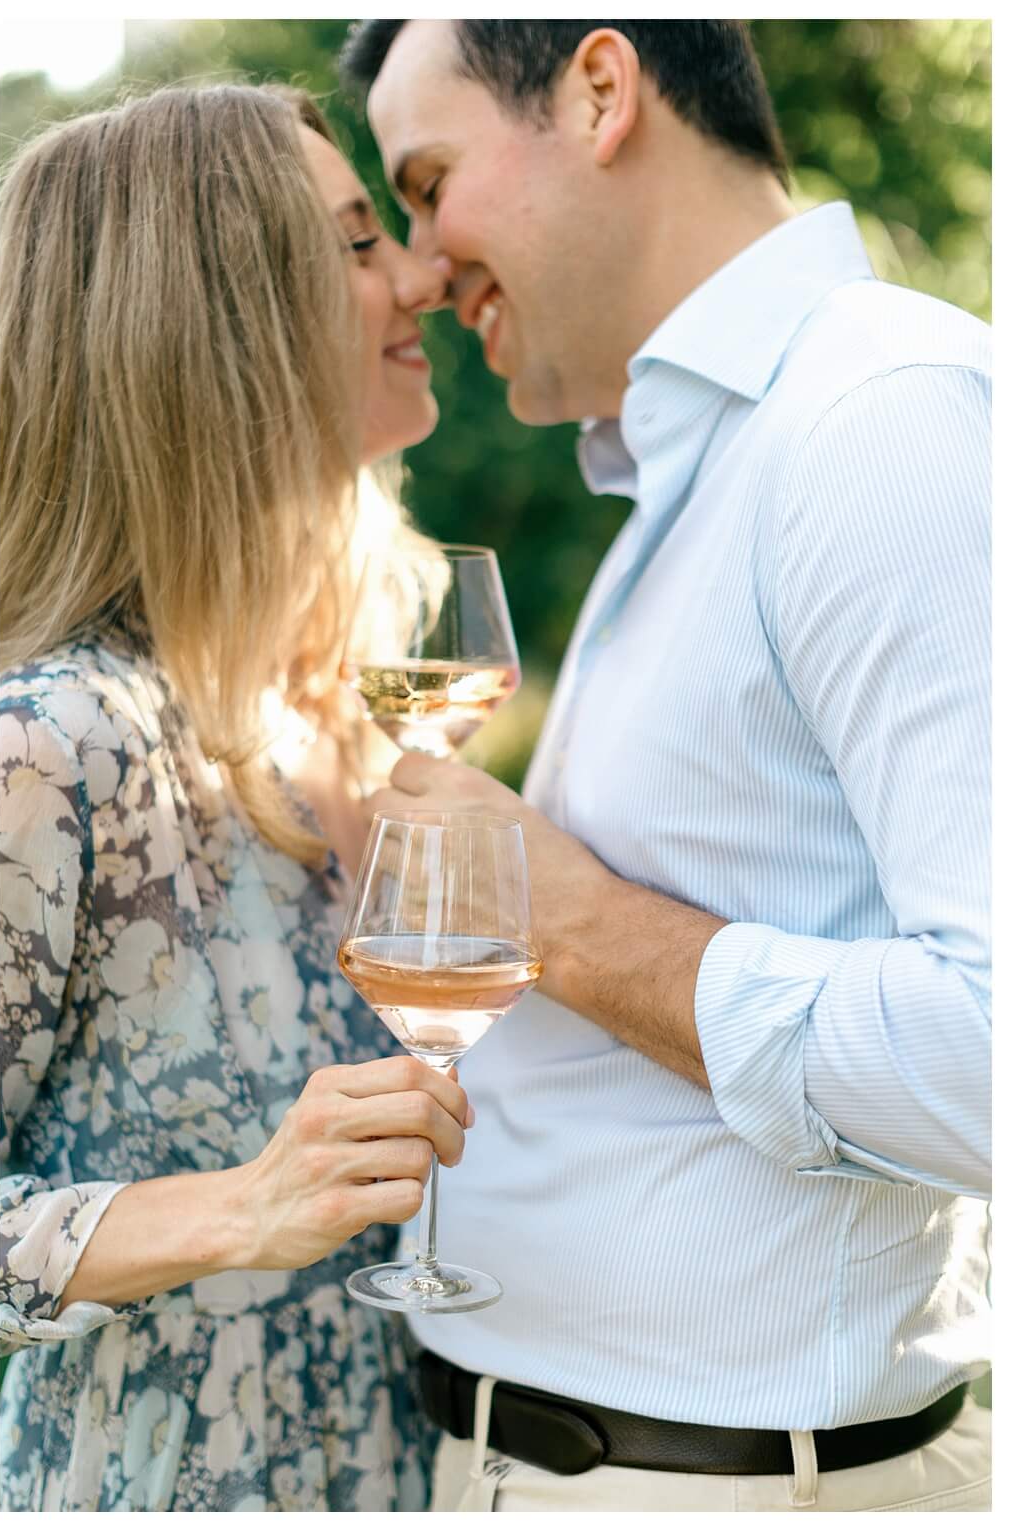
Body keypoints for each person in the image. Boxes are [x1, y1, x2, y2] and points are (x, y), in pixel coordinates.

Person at [339, 19, 991, 1512]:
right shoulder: (705, 468)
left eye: (431, 183)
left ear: (599, 90)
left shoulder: (879, 423)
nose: (427, 265)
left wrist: (570, 924)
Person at [0, 84, 475, 1511]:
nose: (423, 274)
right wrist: (240, 1208)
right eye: (354, 244)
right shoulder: (56, 745)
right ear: (222, 322)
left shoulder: (355, 713)